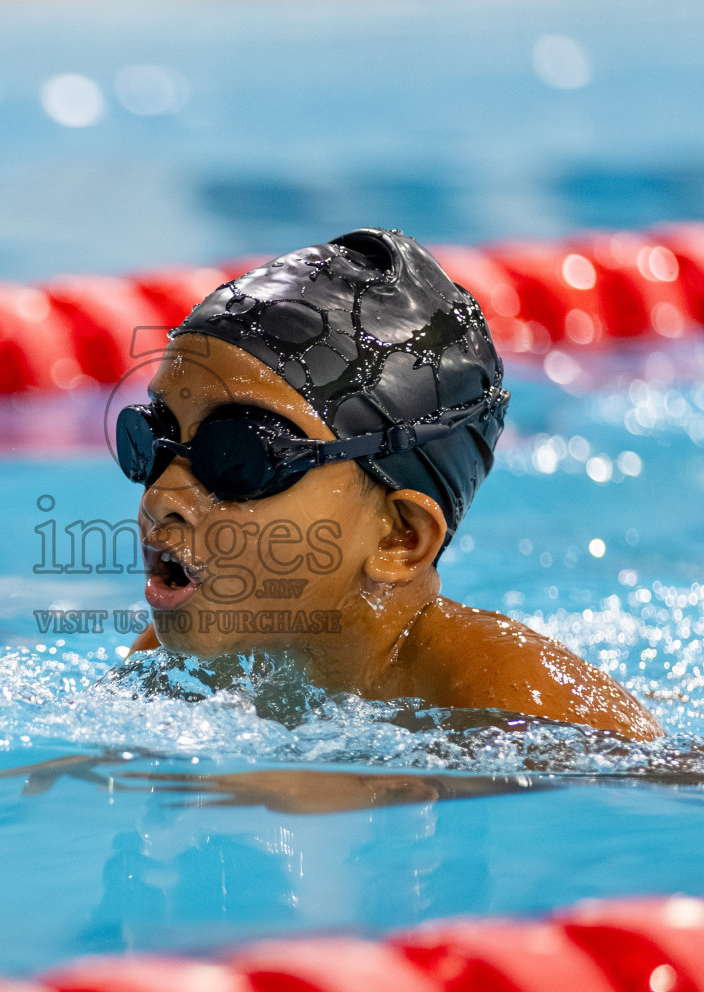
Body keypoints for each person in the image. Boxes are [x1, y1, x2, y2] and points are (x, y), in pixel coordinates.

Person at [115, 227, 663, 741]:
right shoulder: (192, 660)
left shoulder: (513, 701)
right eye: (153, 436)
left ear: (399, 538)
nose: (162, 497)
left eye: (239, 456)